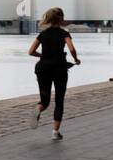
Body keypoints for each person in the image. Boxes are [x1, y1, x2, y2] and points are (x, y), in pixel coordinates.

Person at [28, 7, 80, 141]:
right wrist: (75, 59)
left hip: (43, 68)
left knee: (45, 101)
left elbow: (31, 51)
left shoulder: (43, 34)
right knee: (59, 101)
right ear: (61, 19)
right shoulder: (64, 33)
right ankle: (55, 132)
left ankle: (38, 109)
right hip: (59, 69)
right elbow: (71, 48)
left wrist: (44, 55)